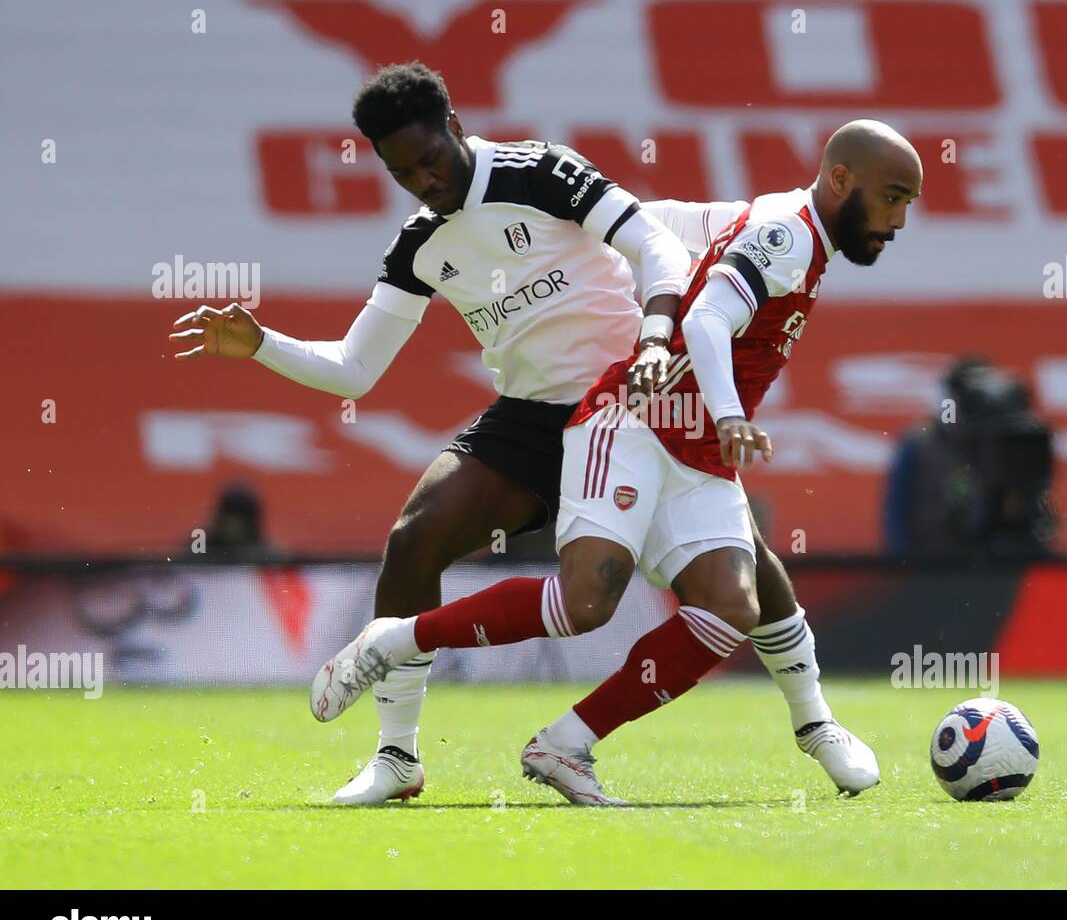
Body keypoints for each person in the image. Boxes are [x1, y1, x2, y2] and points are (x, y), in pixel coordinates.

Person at [172, 62, 872, 803]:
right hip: (534, 417)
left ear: (455, 127)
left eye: (431, 160)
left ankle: (815, 720)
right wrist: (262, 345)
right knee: (416, 538)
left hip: (635, 394)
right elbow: (353, 369)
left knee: (743, 577)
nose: (424, 181)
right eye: (402, 172)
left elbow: (654, 248)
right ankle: (398, 758)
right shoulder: (419, 245)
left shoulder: (542, 172)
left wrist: (658, 335)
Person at [312, 119, 923, 805]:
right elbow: (707, 320)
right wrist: (727, 414)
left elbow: (656, 225)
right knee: (586, 602)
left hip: (691, 449)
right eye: (893, 197)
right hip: (632, 422)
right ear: (841, 180)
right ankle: (393, 643)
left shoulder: (779, 221)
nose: (900, 219)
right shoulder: (785, 237)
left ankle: (567, 744)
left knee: (732, 604)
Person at [882, 355, 1057, 559]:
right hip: (936, 562)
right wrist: (903, 566)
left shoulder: (1011, 442)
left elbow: (1039, 512)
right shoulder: (919, 443)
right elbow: (896, 514)